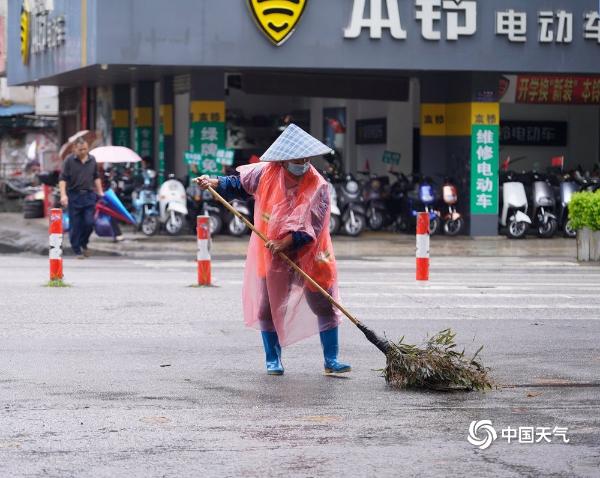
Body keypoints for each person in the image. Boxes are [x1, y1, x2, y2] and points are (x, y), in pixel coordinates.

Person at [195, 124, 351, 376]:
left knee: (324, 304)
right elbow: (239, 184)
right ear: (284, 158)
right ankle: (273, 359)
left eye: (306, 158)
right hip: (271, 253)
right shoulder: (267, 173)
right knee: (267, 307)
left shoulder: (317, 185)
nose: (303, 162)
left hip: (309, 254)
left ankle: (331, 360)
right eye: (298, 158)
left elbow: (312, 226)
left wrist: (285, 243)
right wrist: (212, 182)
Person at [59, 138, 104, 259]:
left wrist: (100, 191)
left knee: (89, 222)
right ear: (75, 148)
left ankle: (84, 242)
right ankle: (77, 249)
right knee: (76, 224)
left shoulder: (92, 159)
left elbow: (96, 176)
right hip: (74, 195)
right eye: (80, 150)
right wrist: (63, 195)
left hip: (89, 195)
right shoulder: (69, 160)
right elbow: (63, 179)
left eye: (85, 149)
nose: (83, 152)